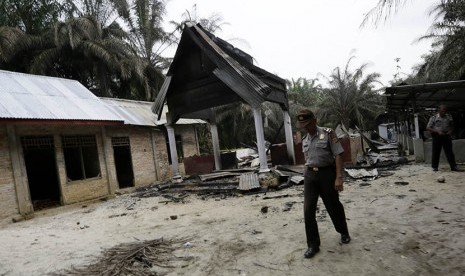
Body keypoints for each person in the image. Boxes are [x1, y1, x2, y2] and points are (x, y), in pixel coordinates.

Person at [296, 109, 350, 259]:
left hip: (326, 174)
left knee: (333, 206)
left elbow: (339, 154)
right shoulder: (306, 139)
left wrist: (339, 177)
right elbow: (308, 157)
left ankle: (343, 231)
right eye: (302, 125)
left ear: (315, 120)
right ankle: (313, 245)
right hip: (310, 176)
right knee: (308, 210)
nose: (305, 127)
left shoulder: (328, 133)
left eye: (307, 124)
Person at [426, 104, 461, 172]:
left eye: (445, 111)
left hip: (446, 135)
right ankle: (435, 167)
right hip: (437, 136)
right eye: (442, 111)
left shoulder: (449, 117)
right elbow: (428, 128)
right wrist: (437, 131)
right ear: (439, 110)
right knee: (436, 152)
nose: (444, 112)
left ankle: (453, 167)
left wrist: (450, 131)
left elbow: (452, 126)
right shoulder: (434, 117)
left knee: (449, 152)